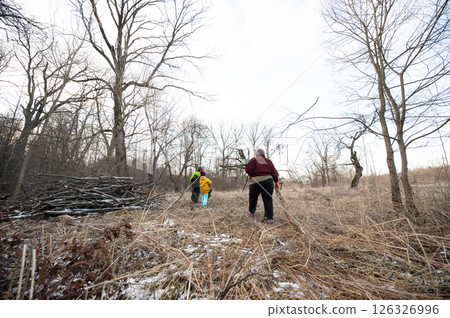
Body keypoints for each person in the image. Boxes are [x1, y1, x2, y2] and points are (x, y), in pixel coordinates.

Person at [245, 149, 280, 224]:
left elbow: (248, 170)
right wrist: (276, 181)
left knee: (253, 198)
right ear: (264, 154)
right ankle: (268, 219)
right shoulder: (269, 161)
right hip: (268, 182)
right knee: (268, 200)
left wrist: (247, 166)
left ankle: (251, 212)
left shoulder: (254, 160)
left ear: (256, 154)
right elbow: (275, 173)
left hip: (255, 183)